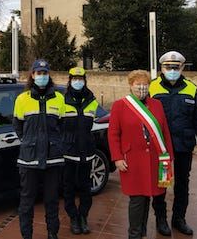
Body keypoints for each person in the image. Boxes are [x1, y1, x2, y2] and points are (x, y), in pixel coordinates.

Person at [108, 70, 174, 239]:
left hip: (157, 158)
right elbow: (113, 134)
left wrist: (169, 157)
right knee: (137, 199)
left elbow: (165, 131)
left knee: (157, 194)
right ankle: (135, 234)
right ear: (131, 85)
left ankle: (153, 226)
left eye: (145, 84)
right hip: (133, 160)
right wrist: (117, 157)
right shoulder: (120, 105)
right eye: (138, 84)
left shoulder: (157, 104)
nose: (142, 87)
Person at [149, 51, 197, 236]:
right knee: (162, 182)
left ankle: (179, 218)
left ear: (181, 68)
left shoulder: (191, 88)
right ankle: (161, 218)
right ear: (162, 68)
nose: (172, 70)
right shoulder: (152, 88)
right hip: (161, 146)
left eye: (175, 67)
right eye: (168, 67)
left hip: (183, 144)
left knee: (182, 182)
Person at [13, 59, 65, 239]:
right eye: (38, 73)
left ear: (48, 75)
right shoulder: (22, 99)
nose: (42, 76)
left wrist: (56, 144)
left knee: (51, 200)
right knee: (27, 201)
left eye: (45, 73)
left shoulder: (59, 98)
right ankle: (27, 235)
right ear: (32, 75)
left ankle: (53, 233)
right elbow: (18, 126)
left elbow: (62, 125)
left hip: (53, 158)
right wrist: (29, 142)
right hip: (29, 159)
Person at [62, 67, 99, 235]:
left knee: (85, 187)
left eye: (81, 78)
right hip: (68, 152)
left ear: (85, 80)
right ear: (70, 80)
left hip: (87, 151)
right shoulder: (61, 99)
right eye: (75, 78)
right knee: (68, 187)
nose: (78, 81)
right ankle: (73, 217)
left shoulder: (92, 100)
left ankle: (83, 216)